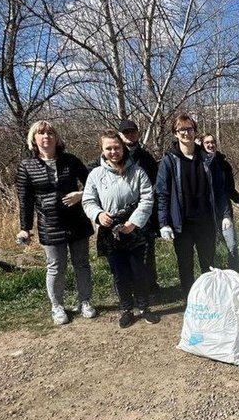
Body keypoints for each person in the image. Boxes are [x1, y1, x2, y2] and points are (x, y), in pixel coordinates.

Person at [16, 120, 96, 326]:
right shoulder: (27, 166)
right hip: (49, 224)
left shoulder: (70, 160)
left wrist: (81, 194)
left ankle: (85, 301)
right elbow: (25, 200)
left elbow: (94, 183)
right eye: (41, 134)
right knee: (55, 266)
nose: (46, 137)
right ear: (34, 139)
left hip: (77, 220)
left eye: (50, 133)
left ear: (56, 138)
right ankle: (57, 306)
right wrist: (25, 228)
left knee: (82, 264)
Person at [82, 130, 159, 328]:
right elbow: (88, 200)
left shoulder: (137, 172)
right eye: (108, 148)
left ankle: (144, 308)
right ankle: (126, 309)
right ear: (102, 149)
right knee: (119, 272)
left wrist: (134, 222)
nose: (113, 152)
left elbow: (147, 198)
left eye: (117, 147)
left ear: (123, 148)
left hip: (134, 228)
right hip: (109, 230)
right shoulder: (95, 175)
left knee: (139, 270)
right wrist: (98, 215)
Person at [155, 115, 231, 294]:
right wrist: (164, 222)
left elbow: (220, 190)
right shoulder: (169, 161)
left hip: (206, 222)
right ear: (175, 133)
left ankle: (210, 296)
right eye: (182, 130)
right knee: (185, 265)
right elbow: (162, 192)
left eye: (190, 129)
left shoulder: (208, 159)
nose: (186, 133)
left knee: (208, 264)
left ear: (195, 131)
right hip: (182, 224)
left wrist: (226, 214)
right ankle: (191, 300)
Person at [118, 119, 161, 292]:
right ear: (120, 135)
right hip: (120, 212)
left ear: (138, 133)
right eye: (126, 132)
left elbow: (157, 181)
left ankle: (150, 284)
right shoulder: (114, 155)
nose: (130, 135)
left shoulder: (146, 157)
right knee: (124, 253)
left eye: (133, 131)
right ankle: (129, 288)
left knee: (147, 251)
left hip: (144, 213)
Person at [201, 133, 239, 271]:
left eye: (213, 142)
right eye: (207, 143)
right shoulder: (199, 165)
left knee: (232, 245)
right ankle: (212, 277)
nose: (211, 145)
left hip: (224, 212)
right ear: (202, 146)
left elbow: (229, 189)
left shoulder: (224, 165)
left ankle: (233, 274)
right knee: (210, 249)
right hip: (207, 215)